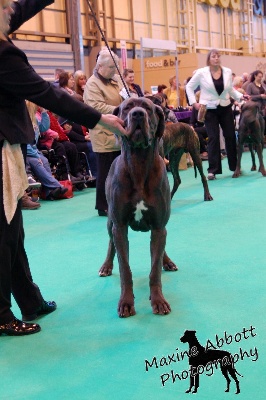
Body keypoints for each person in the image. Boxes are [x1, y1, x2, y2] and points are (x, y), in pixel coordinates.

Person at [0, 0, 125, 336]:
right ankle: (0, 313)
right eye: (5, 7)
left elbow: (19, 11)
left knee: (12, 231)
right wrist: (99, 118)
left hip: (7, 147)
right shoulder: (3, 54)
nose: (11, 11)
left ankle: (30, 299)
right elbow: (46, 93)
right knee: (4, 235)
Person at [186, 49, 249, 180]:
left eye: (218, 56)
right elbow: (189, 87)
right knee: (213, 138)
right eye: (213, 56)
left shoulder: (227, 71)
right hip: (209, 109)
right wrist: (194, 103)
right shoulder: (201, 72)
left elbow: (230, 90)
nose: (216, 58)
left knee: (230, 136)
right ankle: (213, 170)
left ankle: (234, 167)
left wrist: (241, 97)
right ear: (209, 59)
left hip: (225, 107)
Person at [83, 48, 124, 216]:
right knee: (106, 172)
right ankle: (103, 206)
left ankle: (119, 202)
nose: (115, 71)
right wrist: (121, 109)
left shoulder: (115, 80)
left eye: (116, 68)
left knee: (119, 170)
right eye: (111, 68)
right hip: (103, 132)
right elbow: (96, 107)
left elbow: (124, 95)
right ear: (100, 66)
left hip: (118, 131)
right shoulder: (92, 84)